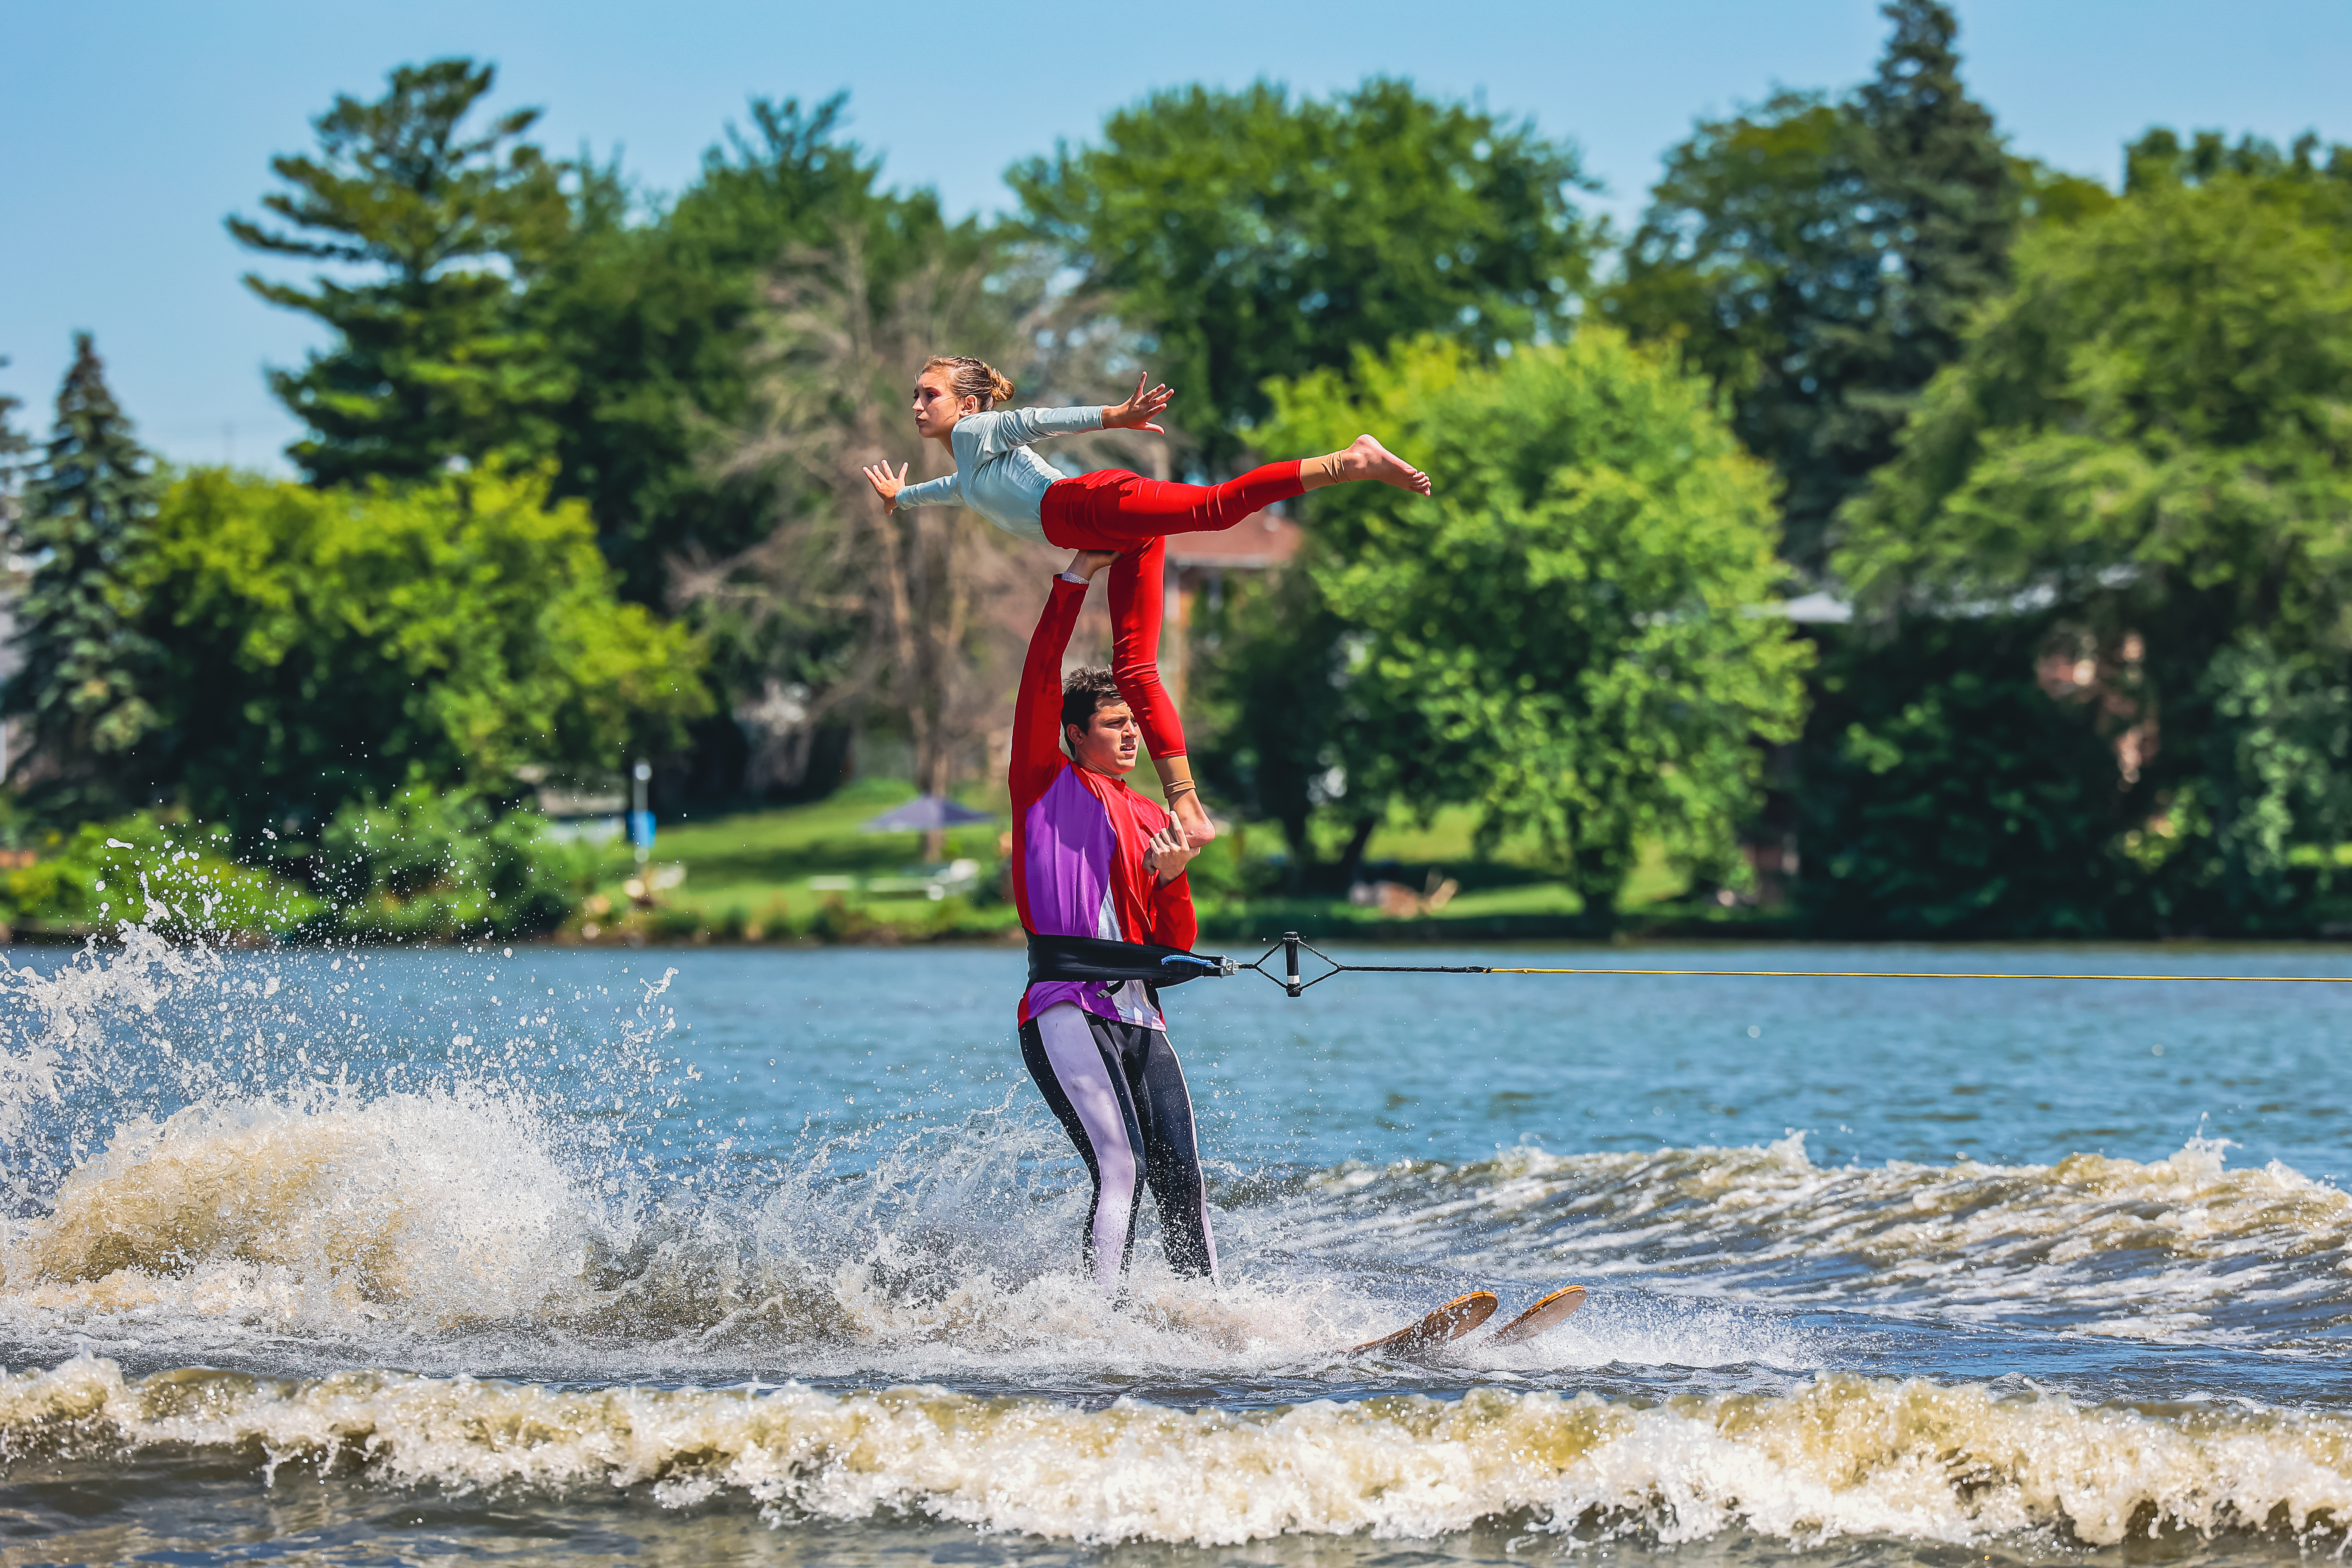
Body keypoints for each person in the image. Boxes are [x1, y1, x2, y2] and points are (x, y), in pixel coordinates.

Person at [862, 355, 1431, 849]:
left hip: (1091, 505)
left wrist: (1115, 417)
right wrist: (899, 499)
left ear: (965, 406)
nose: (916, 405)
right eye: (914, 395)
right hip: (1110, 531)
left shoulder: (974, 432)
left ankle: (1348, 461)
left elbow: (1031, 421)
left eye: (928, 394)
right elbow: (942, 491)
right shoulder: (968, 468)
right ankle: (1189, 810)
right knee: (1133, 669)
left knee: (1215, 509)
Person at [1008, 547, 1219, 1297]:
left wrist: (1173, 877)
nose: (1133, 737)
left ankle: (1208, 1317)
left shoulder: (1151, 815)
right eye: (1114, 724)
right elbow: (1040, 673)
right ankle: (1098, 1326)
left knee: (1183, 1177)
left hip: (1141, 1016)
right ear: (1074, 734)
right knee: (1120, 1163)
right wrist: (1074, 583)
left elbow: (1173, 946)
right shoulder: (1043, 782)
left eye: (1137, 724)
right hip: (1066, 1008)